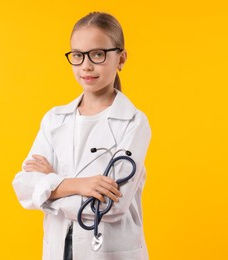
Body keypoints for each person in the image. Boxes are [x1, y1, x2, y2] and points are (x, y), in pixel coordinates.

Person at [12, 12, 151, 260]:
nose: (86, 65)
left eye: (97, 54)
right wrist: (78, 185)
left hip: (108, 251)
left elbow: (110, 207)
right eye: (78, 55)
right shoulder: (55, 119)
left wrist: (48, 189)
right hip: (58, 248)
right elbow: (23, 186)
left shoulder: (134, 122)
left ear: (121, 58)